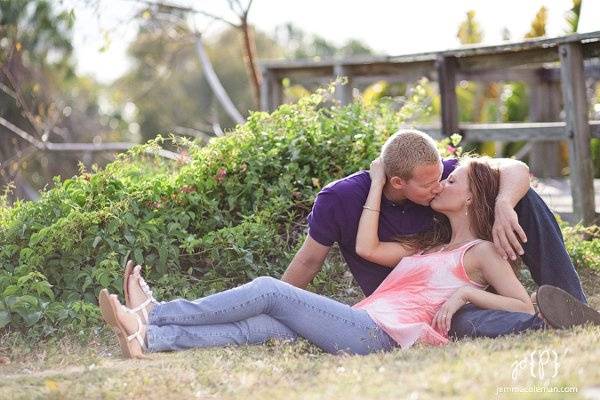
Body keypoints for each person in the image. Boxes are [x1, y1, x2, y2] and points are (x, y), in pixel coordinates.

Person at [98, 157, 600, 358]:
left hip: (379, 336)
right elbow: (363, 248)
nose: (442, 181)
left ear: (470, 198)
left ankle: (156, 311)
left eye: (451, 180)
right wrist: (379, 180)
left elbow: (525, 307)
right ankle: (154, 339)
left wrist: (468, 291)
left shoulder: (482, 252)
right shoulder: (427, 243)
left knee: (270, 290)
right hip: (362, 322)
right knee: (264, 325)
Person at [281, 129, 589, 338]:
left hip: (468, 282)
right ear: (399, 182)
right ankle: (541, 320)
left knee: (525, 197)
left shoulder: (440, 175)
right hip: (416, 305)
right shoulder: (342, 198)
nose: (439, 184)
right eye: (431, 184)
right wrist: (284, 302)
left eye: (444, 177)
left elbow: (514, 168)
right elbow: (312, 261)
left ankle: (572, 306)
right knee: (461, 320)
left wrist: (504, 203)